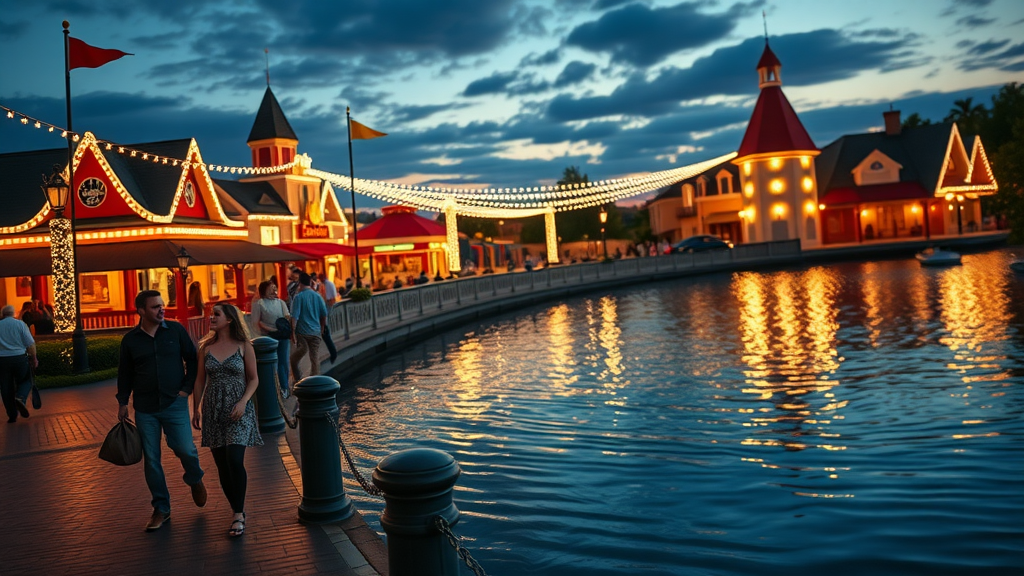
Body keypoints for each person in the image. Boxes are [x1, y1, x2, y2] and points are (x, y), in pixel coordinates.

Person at [117, 290, 206, 532]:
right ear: (141, 311)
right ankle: (161, 508)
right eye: (155, 307)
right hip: (145, 409)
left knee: (186, 449)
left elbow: (194, 359)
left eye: (162, 305)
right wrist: (122, 401)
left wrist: (186, 390)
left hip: (174, 403)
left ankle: (195, 477)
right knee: (152, 460)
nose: (161, 309)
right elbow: (124, 373)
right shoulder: (131, 341)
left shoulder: (175, 331)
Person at [191, 303, 262, 537]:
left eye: (216, 314)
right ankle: (236, 510)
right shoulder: (205, 347)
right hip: (213, 409)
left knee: (234, 458)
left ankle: (239, 513)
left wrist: (243, 402)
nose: (211, 318)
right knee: (222, 465)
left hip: (238, 409)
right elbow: (200, 380)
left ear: (229, 319)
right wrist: (196, 408)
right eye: (212, 314)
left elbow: (253, 379)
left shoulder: (244, 346)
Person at [251, 280, 291, 397]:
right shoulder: (260, 304)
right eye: (271, 288)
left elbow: (287, 316)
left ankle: (285, 387)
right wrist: (269, 329)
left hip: (282, 335)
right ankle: (275, 388)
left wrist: (285, 324)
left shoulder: (280, 302)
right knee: (274, 363)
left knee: (283, 362)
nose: (274, 290)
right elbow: (256, 322)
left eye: (275, 288)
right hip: (269, 336)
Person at [0, 305, 37, 423]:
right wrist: (34, 358)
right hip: (19, 358)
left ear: (3, 314)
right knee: (26, 380)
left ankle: (12, 414)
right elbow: (30, 343)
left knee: (5, 387)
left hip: (2, 360)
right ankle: (20, 397)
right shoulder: (20, 324)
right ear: (13, 313)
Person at [289, 272, 328, 382]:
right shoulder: (317, 296)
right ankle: (315, 380)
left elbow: (295, 317)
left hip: (302, 332)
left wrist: (292, 332)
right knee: (314, 357)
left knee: (295, 358)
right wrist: (322, 328)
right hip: (315, 332)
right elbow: (324, 314)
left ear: (300, 283)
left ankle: (297, 379)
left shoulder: (299, 297)